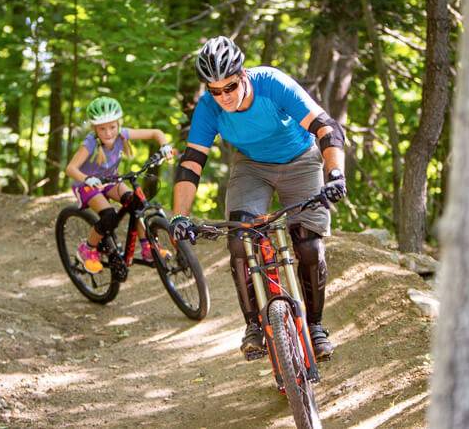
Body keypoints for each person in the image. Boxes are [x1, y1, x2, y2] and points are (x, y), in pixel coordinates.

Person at [169, 36, 347, 361]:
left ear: (243, 74)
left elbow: (326, 127)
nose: (224, 96)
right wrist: (180, 215)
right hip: (252, 166)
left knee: (308, 244)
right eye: (215, 90)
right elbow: (192, 161)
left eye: (230, 86)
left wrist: (335, 173)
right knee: (240, 240)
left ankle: (316, 327)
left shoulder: (273, 84)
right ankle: (254, 325)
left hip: (301, 160)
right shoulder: (209, 107)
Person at [66, 96, 173, 274]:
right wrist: (87, 179)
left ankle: (148, 247)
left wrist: (165, 146)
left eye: (112, 127)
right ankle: (87, 249)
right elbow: (70, 168)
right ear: (94, 128)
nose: (108, 133)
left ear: (118, 124)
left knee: (136, 203)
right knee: (109, 216)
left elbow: (156, 133)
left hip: (110, 180)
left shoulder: (122, 134)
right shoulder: (90, 143)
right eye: (102, 128)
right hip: (87, 185)